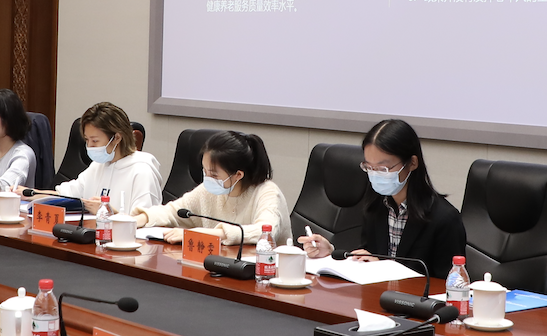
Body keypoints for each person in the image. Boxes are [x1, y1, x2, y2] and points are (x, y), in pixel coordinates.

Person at [299, 118, 465, 277]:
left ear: (412, 163)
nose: (375, 174)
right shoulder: (376, 205)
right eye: (369, 167)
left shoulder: (444, 219)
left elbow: (449, 284)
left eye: (383, 168)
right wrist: (331, 253)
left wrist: (384, 268)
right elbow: (367, 256)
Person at [132, 130, 288, 247]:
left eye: (213, 174)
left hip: (264, 271)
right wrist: (137, 220)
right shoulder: (208, 191)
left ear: (238, 175)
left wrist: (202, 234)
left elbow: (265, 231)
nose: (207, 178)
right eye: (204, 171)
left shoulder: (267, 193)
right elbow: (173, 211)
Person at [29, 102, 162, 213]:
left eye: (95, 141)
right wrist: (33, 193)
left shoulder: (142, 171)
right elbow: (66, 194)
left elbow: (145, 222)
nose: (89, 146)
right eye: (87, 140)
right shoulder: (98, 165)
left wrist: (110, 212)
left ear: (117, 138)